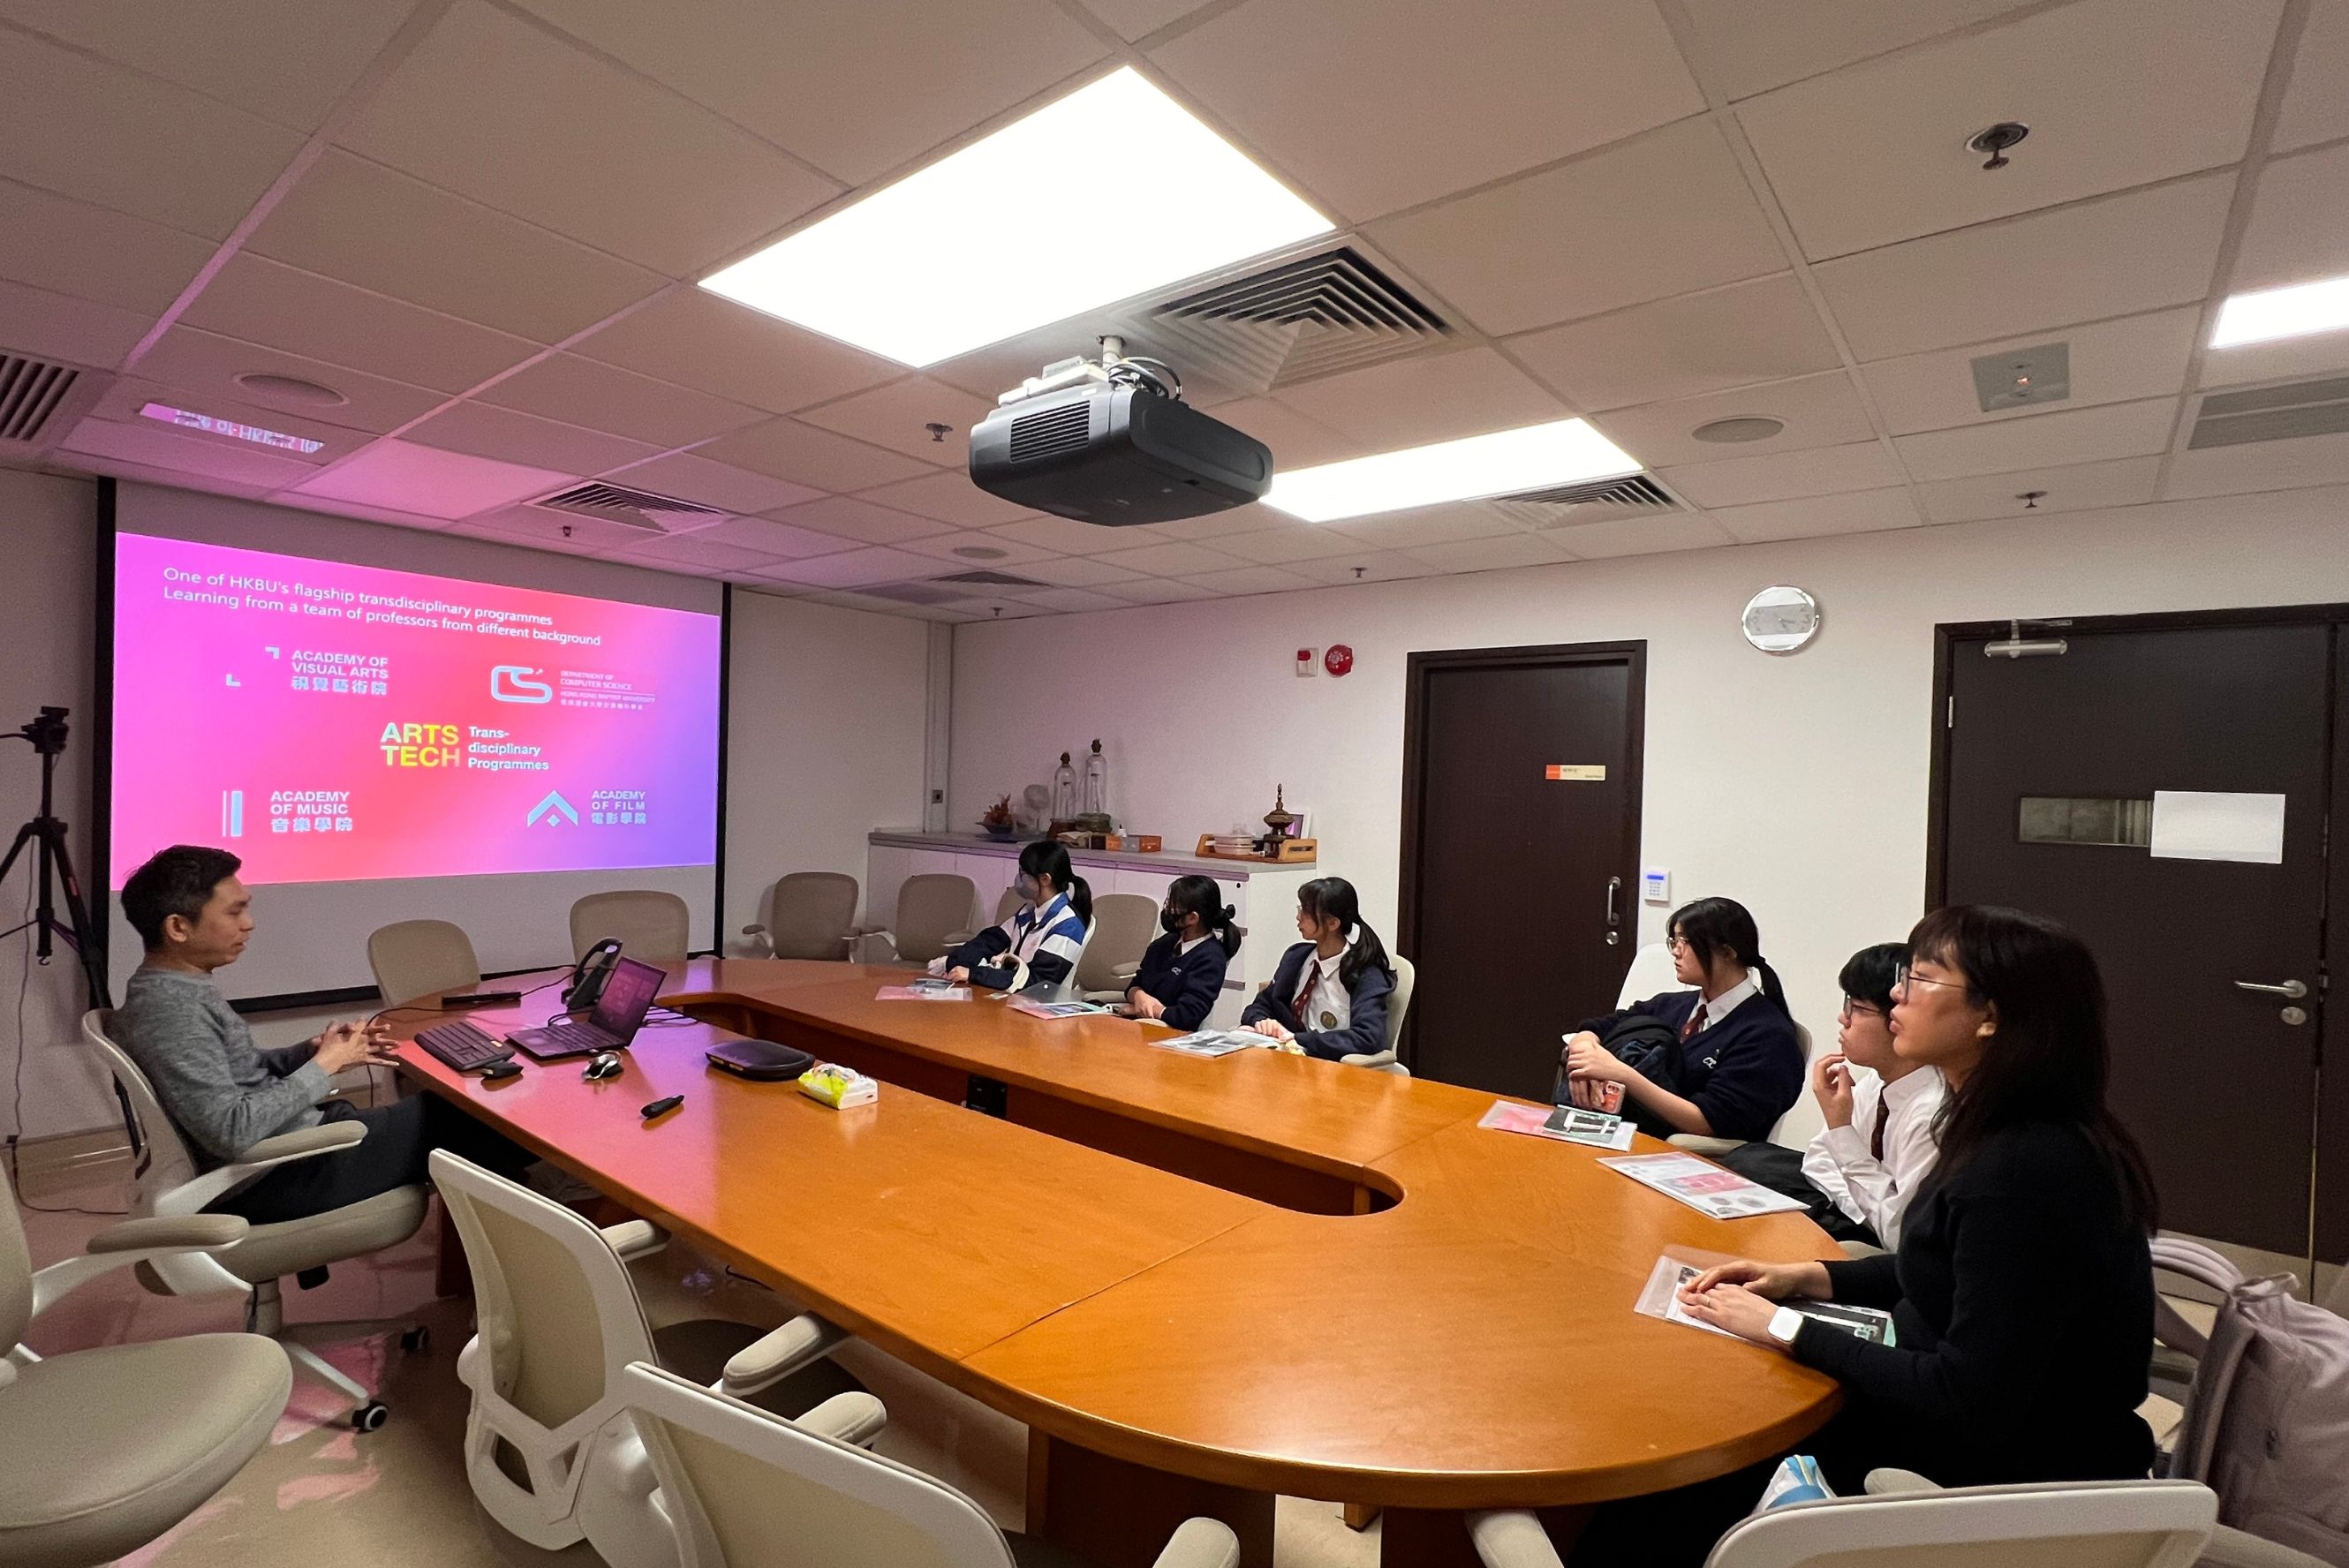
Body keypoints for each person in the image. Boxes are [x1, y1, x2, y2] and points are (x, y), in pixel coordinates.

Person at [1573, 906, 2160, 1565]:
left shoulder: (2023, 1170)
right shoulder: (1994, 1128)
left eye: (1921, 979)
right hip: (1949, 1409)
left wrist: (1783, 1327)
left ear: (1990, 1017)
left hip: (2006, 1479)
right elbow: (1940, 1266)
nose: (1897, 996)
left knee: (1689, 1464)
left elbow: (1968, 1396)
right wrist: (1804, 1278)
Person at [110, 844, 532, 1225]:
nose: (248, 924)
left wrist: (308, 1053)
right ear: (178, 928)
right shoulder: (171, 1012)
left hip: (294, 1149)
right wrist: (325, 1066)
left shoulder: (177, 989)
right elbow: (231, 1130)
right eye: (234, 912)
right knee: (493, 1122)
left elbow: (237, 1073)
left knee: (466, 1116)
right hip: (278, 1174)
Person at [1719, 942, 1944, 1248]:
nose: (1843, 1018)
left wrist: (1841, 1129)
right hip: (1856, 1211)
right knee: (1749, 1159)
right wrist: (1858, 1201)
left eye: (1857, 1008)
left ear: (1900, 1019)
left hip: (1893, 1242)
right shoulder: (1876, 1083)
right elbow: (1819, 1160)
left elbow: (1900, 1233)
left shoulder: (1931, 1111)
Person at [1559, 896, 1803, 1142]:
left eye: (1685, 942)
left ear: (1727, 952)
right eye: (1674, 941)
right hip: (1625, 1133)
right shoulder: (1673, 1005)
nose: (1676, 951)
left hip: (1688, 1152)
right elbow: (1602, 1026)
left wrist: (1622, 1074)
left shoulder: (1767, 1035)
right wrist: (1584, 1054)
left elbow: (1708, 1122)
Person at [1240, 877, 1394, 1061]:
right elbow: (1260, 1005)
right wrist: (1262, 1021)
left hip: (1332, 1066)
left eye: (1306, 911)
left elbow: (1368, 1038)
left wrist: (1299, 1039)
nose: (1298, 917)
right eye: (1300, 909)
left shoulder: (1366, 974)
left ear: (1333, 923)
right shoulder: (1296, 957)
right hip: (1290, 1059)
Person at [935, 839, 1092, 994]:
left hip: (1035, 1001)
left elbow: (1037, 982)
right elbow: (987, 942)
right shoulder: (1029, 911)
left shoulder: (1068, 925)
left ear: (1045, 879)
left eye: (1023, 873)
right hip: (1010, 996)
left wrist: (974, 974)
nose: (1018, 878)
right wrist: (959, 964)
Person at [1117, 875, 1240, 1030]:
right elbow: (1136, 984)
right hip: (1140, 1024)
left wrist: (1147, 1010)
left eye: (1173, 906)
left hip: (1170, 1032)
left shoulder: (1211, 958)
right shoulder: (1164, 943)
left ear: (1193, 918)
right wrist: (1139, 996)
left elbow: (1187, 1015)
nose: (1167, 909)